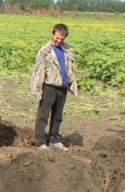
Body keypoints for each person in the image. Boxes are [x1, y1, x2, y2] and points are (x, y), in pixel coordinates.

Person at [30, 23, 78, 151]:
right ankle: (40, 142)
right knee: (43, 115)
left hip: (62, 87)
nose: (59, 41)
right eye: (57, 38)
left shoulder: (68, 49)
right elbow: (38, 70)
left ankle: (54, 140)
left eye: (62, 39)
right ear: (53, 34)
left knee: (58, 116)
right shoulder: (45, 50)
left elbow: (71, 68)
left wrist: (72, 84)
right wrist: (37, 88)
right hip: (49, 87)